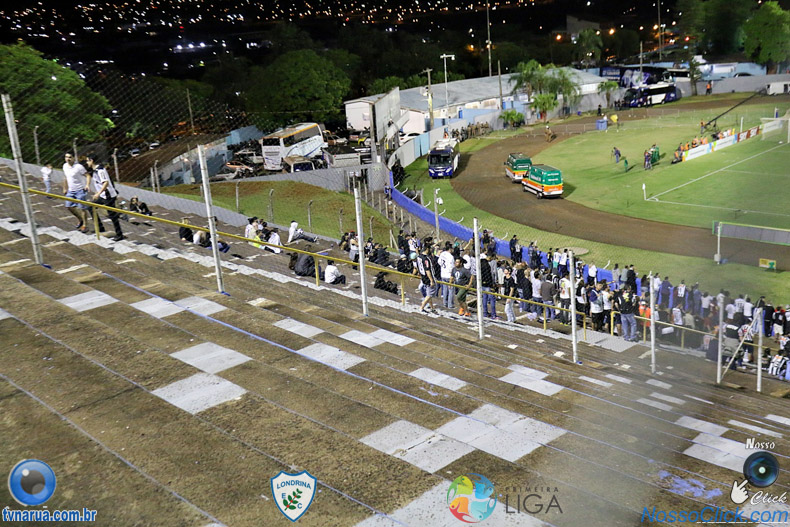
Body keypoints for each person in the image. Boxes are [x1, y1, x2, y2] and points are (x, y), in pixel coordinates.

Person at [85, 156, 124, 241]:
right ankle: (100, 227)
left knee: (112, 216)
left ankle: (119, 234)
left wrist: (98, 194)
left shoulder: (100, 170)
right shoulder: (94, 170)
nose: (87, 163)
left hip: (108, 196)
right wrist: (88, 185)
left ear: (92, 160)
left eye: (88, 161)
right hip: (102, 195)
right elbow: (88, 175)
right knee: (90, 207)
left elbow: (105, 183)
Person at [62, 153, 91, 233]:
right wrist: (65, 188)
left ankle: (85, 225)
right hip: (71, 190)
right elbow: (65, 177)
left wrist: (87, 185)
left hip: (80, 189)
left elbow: (88, 175)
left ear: (74, 158)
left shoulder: (78, 167)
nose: (68, 159)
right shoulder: (65, 166)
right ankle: (80, 219)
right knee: (68, 206)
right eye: (66, 157)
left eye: (70, 157)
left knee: (82, 208)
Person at [416, 245, 437, 314]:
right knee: (430, 294)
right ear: (427, 249)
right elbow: (427, 270)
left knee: (429, 293)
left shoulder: (418, 257)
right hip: (428, 278)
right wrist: (431, 280)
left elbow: (417, 267)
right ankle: (421, 307)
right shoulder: (426, 259)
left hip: (423, 277)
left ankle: (432, 308)